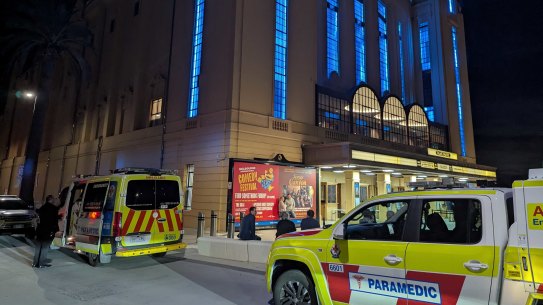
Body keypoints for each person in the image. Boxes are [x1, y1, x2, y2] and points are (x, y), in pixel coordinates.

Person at [33, 195, 59, 268]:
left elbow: (39, 217)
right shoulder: (54, 209)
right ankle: (41, 263)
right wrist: (56, 230)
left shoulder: (42, 208)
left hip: (39, 230)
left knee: (38, 247)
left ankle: (35, 263)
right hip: (48, 230)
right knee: (45, 247)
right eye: (53, 199)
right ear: (51, 200)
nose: (54, 200)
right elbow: (54, 221)